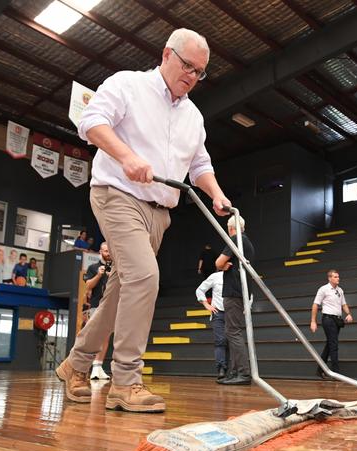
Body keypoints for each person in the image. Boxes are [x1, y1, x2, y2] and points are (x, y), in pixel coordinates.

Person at [56, 28, 231, 413]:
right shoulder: (128, 85)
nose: (192, 76)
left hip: (159, 213)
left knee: (122, 291)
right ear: (166, 54)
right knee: (145, 277)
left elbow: (200, 164)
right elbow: (92, 121)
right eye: (187, 66)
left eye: (200, 72)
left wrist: (216, 194)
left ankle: (76, 364)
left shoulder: (193, 116)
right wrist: (126, 155)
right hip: (117, 195)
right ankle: (125, 382)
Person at [215, 215, 254, 386]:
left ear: (230, 228)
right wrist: (223, 265)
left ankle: (243, 373)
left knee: (233, 332)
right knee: (232, 331)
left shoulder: (236, 239)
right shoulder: (246, 242)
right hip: (240, 291)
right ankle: (235, 372)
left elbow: (218, 263)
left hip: (234, 292)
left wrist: (222, 265)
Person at [310, 269, 353, 379]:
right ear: (329, 278)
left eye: (338, 276)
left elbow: (344, 304)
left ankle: (320, 370)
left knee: (330, 345)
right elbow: (315, 305)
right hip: (328, 319)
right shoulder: (323, 289)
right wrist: (313, 321)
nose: (338, 278)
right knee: (333, 345)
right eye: (335, 277)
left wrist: (348, 314)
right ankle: (336, 373)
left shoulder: (340, 290)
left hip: (337, 320)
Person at [83, 242, 112, 380]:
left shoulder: (115, 268)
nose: (108, 253)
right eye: (106, 251)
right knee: (94, 336)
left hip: (110, 305)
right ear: (100, 251)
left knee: (106, 337)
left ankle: (98, 366)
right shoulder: (92, 267)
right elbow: (88, 285)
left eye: (109, 251)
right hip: (96, 305)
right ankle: (89, 367)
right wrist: (99, 275)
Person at [195, 270, 227, 380]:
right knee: (220, 341)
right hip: (218, 313)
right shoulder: (216, 276)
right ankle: (221, 369)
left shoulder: (237, 275)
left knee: (234, 342)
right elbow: (200, 290)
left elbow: (249, 295)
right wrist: (206, 304)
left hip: (233, 313)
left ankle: (235, 370)